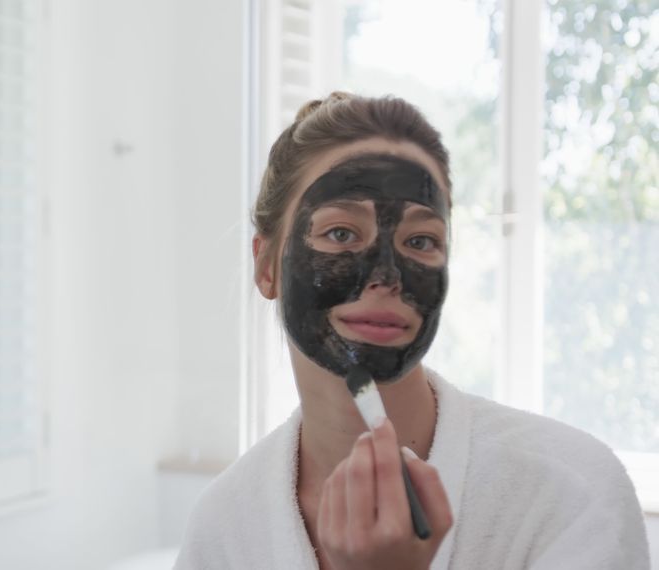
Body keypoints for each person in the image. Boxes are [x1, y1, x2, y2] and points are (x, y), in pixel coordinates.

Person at [174, 92, 650, 569]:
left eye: (420, 241)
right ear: (266, 266)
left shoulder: (573, 492)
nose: (387, 276)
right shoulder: (222, 529)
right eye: (341, 233)